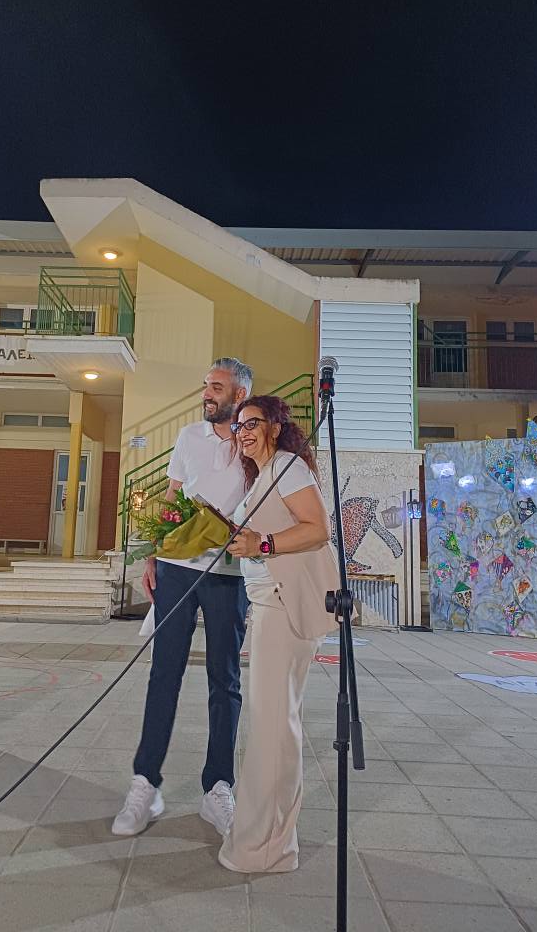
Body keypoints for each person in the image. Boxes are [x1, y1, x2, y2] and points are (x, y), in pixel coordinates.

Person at [112, 358, 253, 837]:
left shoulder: (254, 442)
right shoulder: (189, 437)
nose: (207, 393)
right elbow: (172, 497)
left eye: (217, 387)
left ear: (240, 394)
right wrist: (152, 554)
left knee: (224, 681)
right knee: (163, 674)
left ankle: (218, 788)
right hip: (176, 568)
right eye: (206, 385)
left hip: (228, 575)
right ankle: (145, 785)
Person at [219, 395, 339, 873]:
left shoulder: (288, 467)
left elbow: (318, 529)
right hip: (268, 604)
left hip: (283, 605)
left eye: (252, 423)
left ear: (274, 426)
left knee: (272, 727)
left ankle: (266, 847)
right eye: (238, 426)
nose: (243, 432)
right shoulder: (265, 475)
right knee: (272, 722)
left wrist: (262, 543)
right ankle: (266, 839)